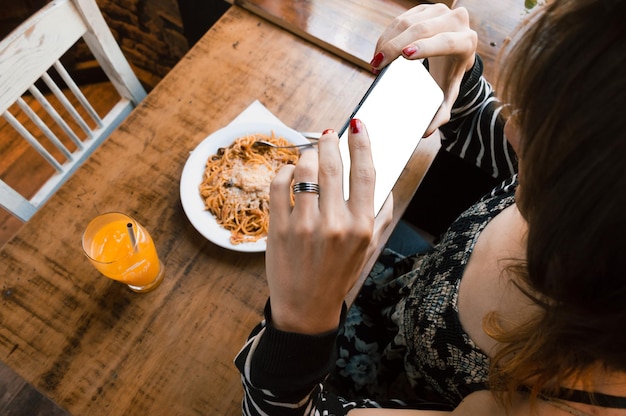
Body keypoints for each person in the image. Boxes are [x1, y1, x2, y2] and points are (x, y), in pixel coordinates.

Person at [234, 0, 626, 414]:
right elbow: (491, 136)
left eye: (546, 129)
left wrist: (299, 322)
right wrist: (458, 78)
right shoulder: (595, 189)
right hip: (387, 304)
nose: (512, 127)